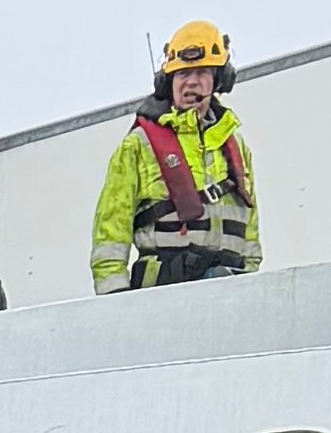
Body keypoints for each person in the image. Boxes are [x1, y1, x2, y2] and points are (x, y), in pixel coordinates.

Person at [92, 21, 261, 292]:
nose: (191, 82)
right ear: (168, 81)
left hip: (230, 290)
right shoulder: (139, 145)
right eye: (182, 74)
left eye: (201, 72)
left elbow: (249, 226)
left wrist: (252, 283)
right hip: (162, 295)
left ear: (219, 79)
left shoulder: (236, 146)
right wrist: (116, 297)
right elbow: (111, 228)